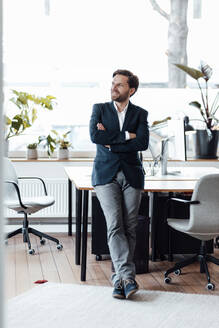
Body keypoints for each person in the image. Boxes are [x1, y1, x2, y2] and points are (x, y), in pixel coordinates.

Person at [89, 69, 149, 299]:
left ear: (131, 90)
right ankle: (126, 276)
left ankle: (119, 281)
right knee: (115, 224)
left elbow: (142, 142)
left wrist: (113, 141)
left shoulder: (140, 113)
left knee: (130, 226)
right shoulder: (100, 109)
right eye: (113, 83)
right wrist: (127, 137)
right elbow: (96, 137)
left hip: (132, 175)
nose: (114, 87)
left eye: (119, 85)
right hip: (105, 174)